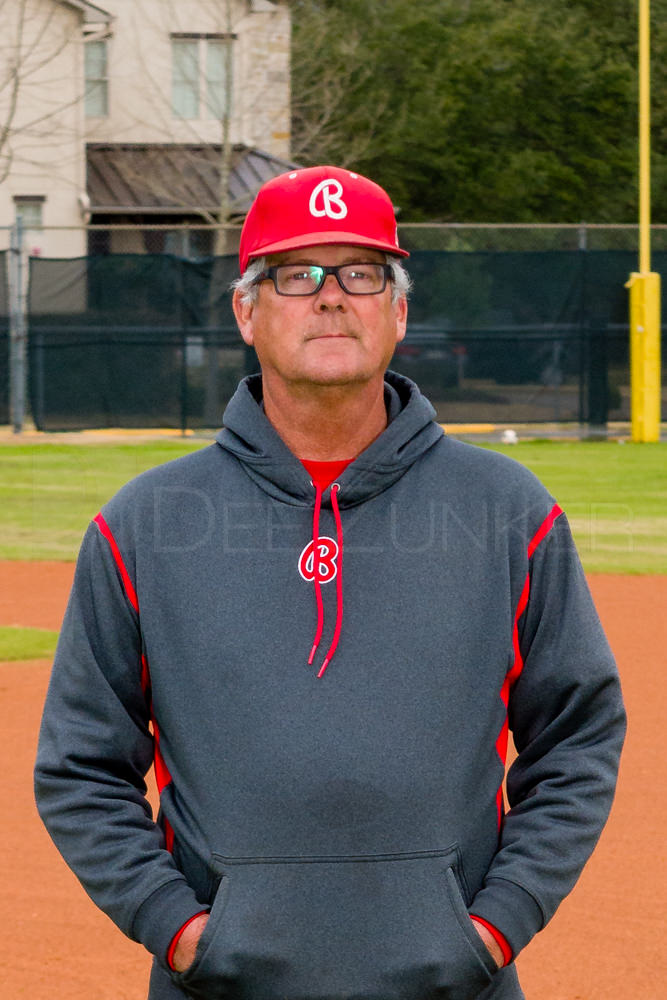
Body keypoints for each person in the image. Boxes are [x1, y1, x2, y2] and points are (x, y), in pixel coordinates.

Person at [35, 165, 625, 1000]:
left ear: (398, 307)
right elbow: (81, 764)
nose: (330, 296)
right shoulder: (143, 524)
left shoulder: (506, 510)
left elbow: (576, 736)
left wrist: (494, 926)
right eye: (295, 274)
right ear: (246, 309)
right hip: (223, 986)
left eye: (360, 272)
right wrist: (177, 929)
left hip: (453, 984)